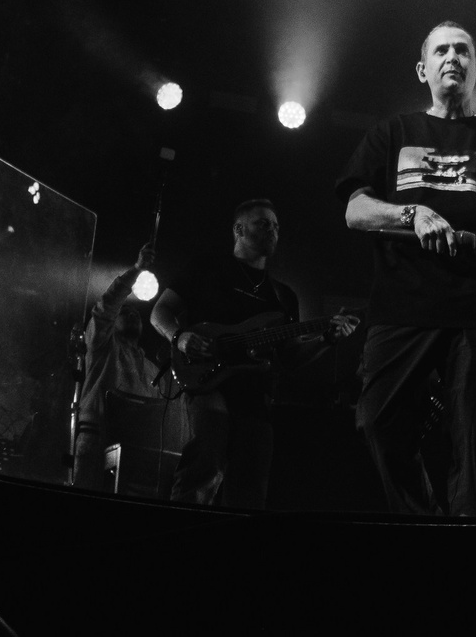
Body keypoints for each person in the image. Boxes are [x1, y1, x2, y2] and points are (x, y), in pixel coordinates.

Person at [338, 21, 476, 517]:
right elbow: (354, 210)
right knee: (376, 422)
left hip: (474, 308)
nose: (452, 57)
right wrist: (411, 213)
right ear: (422, 68)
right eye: (441, 50)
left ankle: (468, 540)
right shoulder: (392, 133)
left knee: (475, 442)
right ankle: (426, 525)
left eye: (463, 51)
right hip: (401, 305)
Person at [150, 200, 355, 509]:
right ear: (239, 229)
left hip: (256, 397)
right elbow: (159, 311)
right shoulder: (207, 268)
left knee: (251, 487)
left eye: (276, 226)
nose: (272, 230)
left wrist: (327, 339)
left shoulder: (283, 296)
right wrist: (179, 337)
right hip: (208, 383)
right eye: (263, 223)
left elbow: (290, 358)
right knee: (205, 465)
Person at [74, 243, 175, 495]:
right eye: (125, 312)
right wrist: (137, 270)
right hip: (96, 437)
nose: (132, 314)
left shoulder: (152, 370)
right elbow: (106, 307)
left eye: (136, 314)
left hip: (135, 449)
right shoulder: (102, 348)